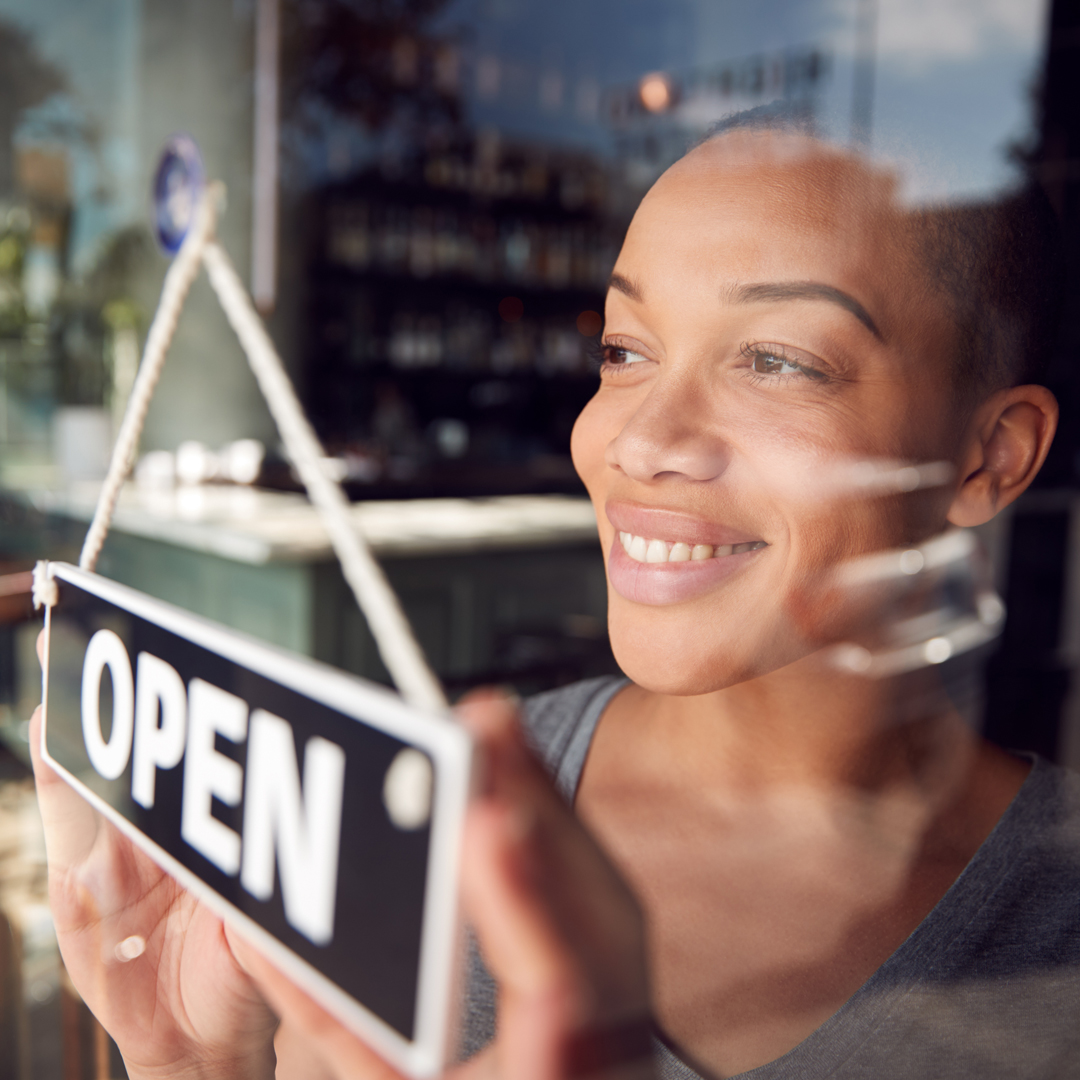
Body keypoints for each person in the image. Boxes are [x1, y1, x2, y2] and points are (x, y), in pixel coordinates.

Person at [29, 114, 1080, 1080]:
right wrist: (189, 1063)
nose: (638, 439)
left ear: (989, 456)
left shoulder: (1053, 932)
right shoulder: (421, 812)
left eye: (777, 360)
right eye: (623, 350)